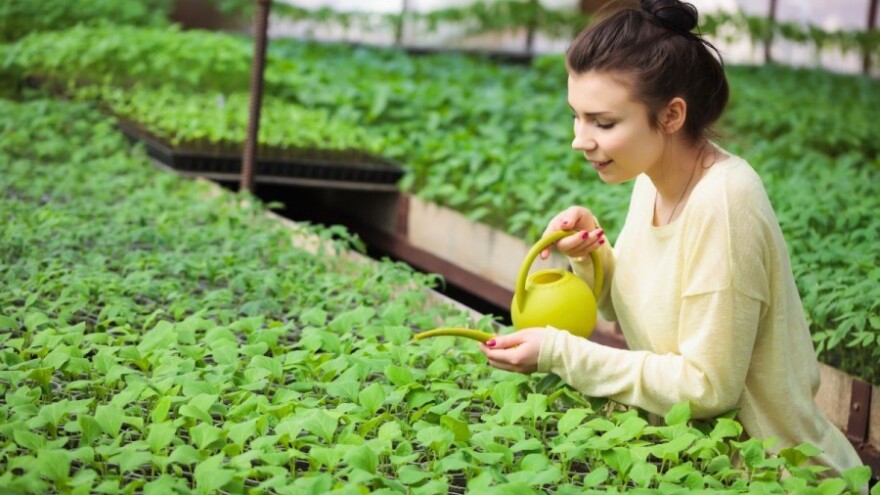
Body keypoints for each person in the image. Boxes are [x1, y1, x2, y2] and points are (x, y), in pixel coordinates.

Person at [479, 0, 864, 479]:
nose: (580, 139)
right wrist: (592, 256)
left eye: (603, 122)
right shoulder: (651, 179)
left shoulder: (724, 203)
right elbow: (641, 316)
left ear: (672, 115)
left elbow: (706, 387)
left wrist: (560, 354)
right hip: (690, 462)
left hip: (774, 476)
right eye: (576, 116)